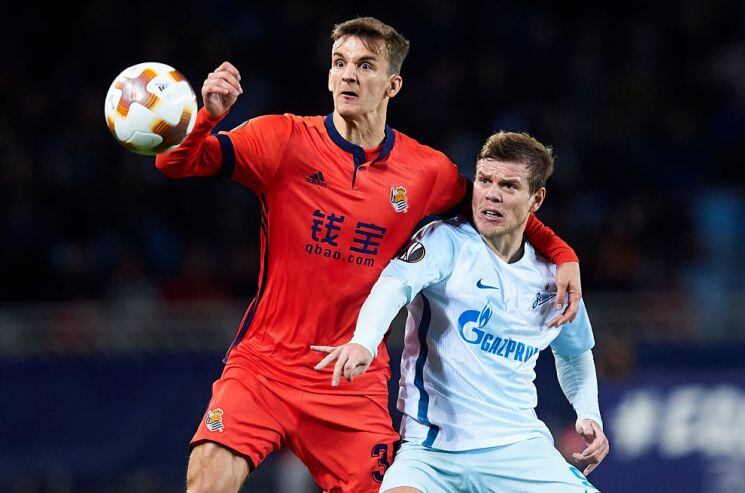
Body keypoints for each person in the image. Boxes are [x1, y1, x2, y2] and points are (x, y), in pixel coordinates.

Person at [156, 17, 582, 493]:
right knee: (208, 478)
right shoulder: (283, 139)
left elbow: (496, 207)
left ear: (392, 84)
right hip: (264, 367)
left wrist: (562, 253)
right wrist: (208, 116)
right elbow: (175, 161)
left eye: (365, 65)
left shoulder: (425, 171)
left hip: (350, 380)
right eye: (339, 63)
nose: (348, 76)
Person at [315, 131, 608, 492]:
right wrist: (363, 341)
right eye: (485, 180)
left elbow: (574, 351)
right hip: (430, 452)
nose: (492, 194)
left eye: (509, 186)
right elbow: (394, 286)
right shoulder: (445, 242)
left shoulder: (553, 278)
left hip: (518, 449)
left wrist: (588, 412)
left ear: (536, 199)